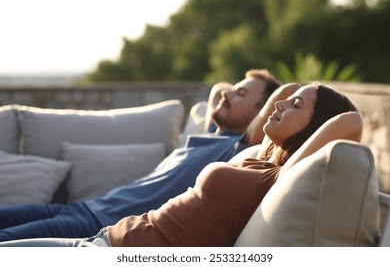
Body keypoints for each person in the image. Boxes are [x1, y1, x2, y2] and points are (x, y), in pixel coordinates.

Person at [0, 82, 362, 247]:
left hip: (107, 242)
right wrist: (297, 101)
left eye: (295, 106)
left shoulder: (280, 169)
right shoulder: (255, 156)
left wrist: (302, 93)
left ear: (314, 130)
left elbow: (351, 123)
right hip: (107, 232)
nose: (281, 105)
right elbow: (229, 90)